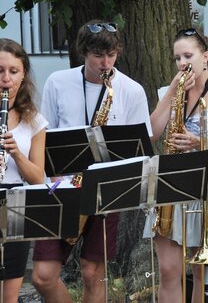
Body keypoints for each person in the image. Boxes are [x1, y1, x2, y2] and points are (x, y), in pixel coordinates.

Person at [31, 20, 152, 303]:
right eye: (98, 55)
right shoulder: (57, 82)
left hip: (105, 193)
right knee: (42, 276)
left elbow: (140, 149)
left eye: (111, 55)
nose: (105, 62)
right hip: (60, 190)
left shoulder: (131, 90)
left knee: (92, 273)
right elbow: (43, 135)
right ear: (83, 53)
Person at [143, 28, 208, 302]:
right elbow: (152, 132)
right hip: (169, 188)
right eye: (177, 58)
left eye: (188, 55)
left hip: (207, 191)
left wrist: (200, 144)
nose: (182, 63)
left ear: (205, 57)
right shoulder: (169, 91)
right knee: (168, 270)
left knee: (202, 273)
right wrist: (172, 91)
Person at [0, 39, 47, 303]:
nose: (6, 79)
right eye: (0, 71)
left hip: (16, 206)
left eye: (13, 71)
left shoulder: (34, 120)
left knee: (9, 296)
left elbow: (38, 177)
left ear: (24, 74)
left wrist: (17, 154)